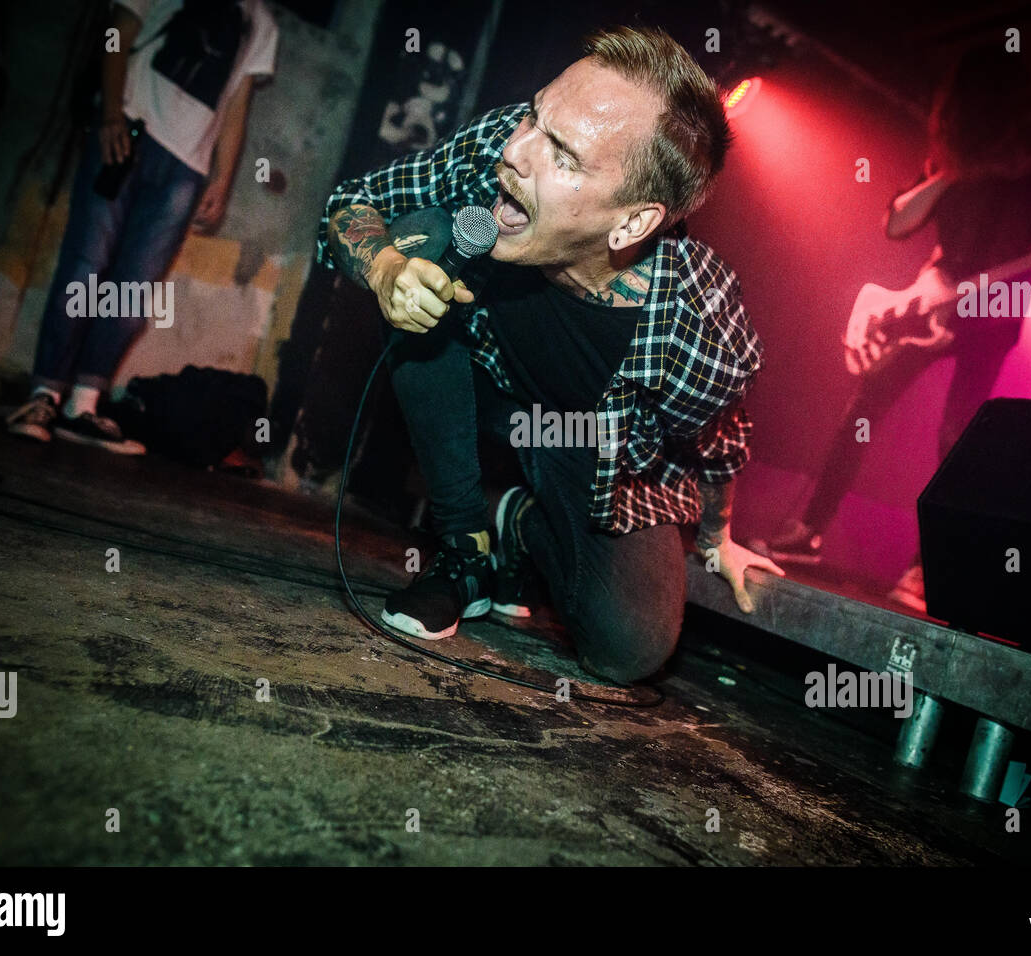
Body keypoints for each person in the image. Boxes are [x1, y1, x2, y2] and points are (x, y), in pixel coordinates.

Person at [318, 26, 784, 683]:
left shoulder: (698, 330)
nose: (516, 151)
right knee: (419, 235)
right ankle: (465, 550)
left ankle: (515, 522)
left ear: (630, 223)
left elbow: (719, 438)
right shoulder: (503, 147)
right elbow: (352, 205)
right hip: (484, 387)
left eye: (563, 155)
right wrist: (387, 267)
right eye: (535, 114)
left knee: (631, 648)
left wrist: (717, 541)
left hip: (593, 449)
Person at [759, 44, 1031, 611]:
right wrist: (955, 171)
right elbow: (897, 221)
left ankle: (926, 567)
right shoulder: (956, 153)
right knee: (867, 401)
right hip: (934, 296)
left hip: (995, 306)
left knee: (957, 437)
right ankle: (807, 530)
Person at [6, 0, 277, 453]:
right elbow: (119, 33)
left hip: (185, 166)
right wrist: (110, 114)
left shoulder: (261, 21)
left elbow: (237, 104)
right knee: (85, 270)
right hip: (127, 128)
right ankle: (43, 396)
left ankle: (84, 406)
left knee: (134, 291)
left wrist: (222, 179)